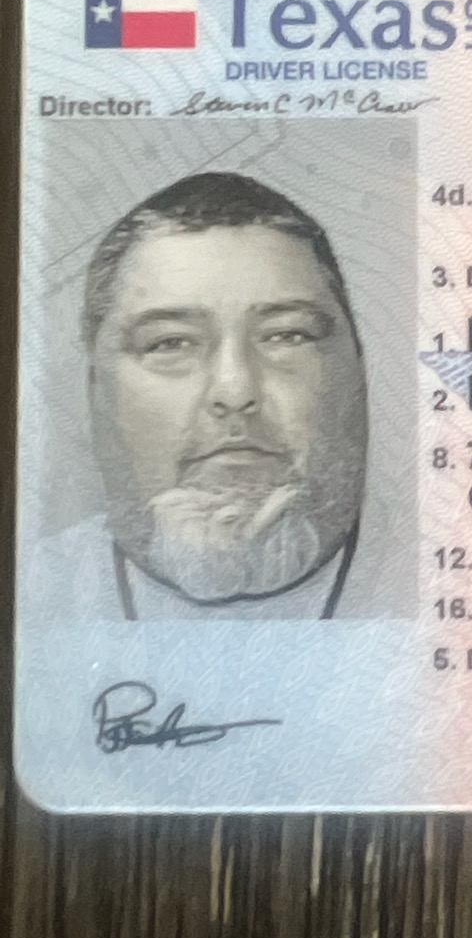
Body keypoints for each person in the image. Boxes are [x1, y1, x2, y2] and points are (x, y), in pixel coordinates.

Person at [32, 172, 369, 620]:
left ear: (359, 370)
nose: (235, 390)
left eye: (287, 335)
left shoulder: (444, 563)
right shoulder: (33, 593)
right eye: (170, 343)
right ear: (97, 390)